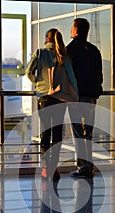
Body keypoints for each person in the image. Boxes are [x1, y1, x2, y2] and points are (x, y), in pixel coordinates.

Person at [26, 29, 78, 181]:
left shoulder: (40, 53)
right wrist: (75, 95)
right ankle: (54, 168)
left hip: (43, 97)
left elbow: (28, 72)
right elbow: (72, 77)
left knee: (45, 132)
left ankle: (45, 167)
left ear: (46, 39)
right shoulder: (63, 56)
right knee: (57, 133)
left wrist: (39, 84)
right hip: (59, 98)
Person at [67, 18, 103, 178]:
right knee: (88, 132)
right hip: (91, 96)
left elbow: (68, 75)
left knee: (77, 133)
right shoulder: (94, 50)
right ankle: (89, 166)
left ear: (75, 30)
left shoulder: (70, 50)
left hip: (75, 97)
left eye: (72, 28)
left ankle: (83, 167)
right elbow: (99, 75)